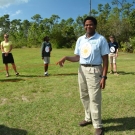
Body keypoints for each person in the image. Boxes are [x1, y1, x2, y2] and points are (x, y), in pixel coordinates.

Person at [56, 16, 110, 135]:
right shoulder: (80, 39)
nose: (88, 26)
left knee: (94, 98)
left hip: (95, 70)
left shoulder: (100, 39)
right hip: (81, 70)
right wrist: (65, 57)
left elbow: (105, 59)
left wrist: (104, 77)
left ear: (95, 26)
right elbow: (78, 57)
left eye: (90, 24)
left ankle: (98, 125)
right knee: (84, 96)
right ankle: (88, 118)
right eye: (86, 25)